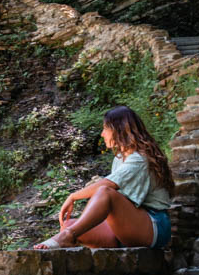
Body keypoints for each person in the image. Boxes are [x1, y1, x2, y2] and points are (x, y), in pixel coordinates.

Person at [34, 105, 173, 249]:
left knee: (105, 192)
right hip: (126, 225)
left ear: (119, 129)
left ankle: (67, 236)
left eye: (105, 128)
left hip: (154, 226)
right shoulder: (119, 159)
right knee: (71, 225)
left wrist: (73, 196)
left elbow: (108, 185)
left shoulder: (139, 159)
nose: (102, 134)